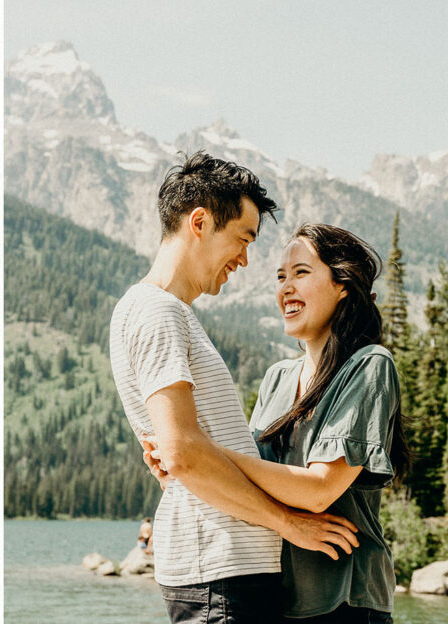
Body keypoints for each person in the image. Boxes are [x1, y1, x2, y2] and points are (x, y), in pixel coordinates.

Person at [110, 152, 359, 624]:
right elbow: (184, 453)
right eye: (242, 239)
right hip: (219, 577)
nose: (244, 260)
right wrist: (290, 525)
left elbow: (180, 453)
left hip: (225, 574)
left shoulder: (166, 312)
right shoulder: (157, 311)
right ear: (199, 222)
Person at [159, 224, 409, 623]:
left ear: (343, 285)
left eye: (301, 273)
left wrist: (200, 450)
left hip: (345, 600)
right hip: (273, 598)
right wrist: (173, 463)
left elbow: (319, 491)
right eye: (280, 277)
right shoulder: (277, 377)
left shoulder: (368, 365)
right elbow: (245, 479)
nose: (286, 288)